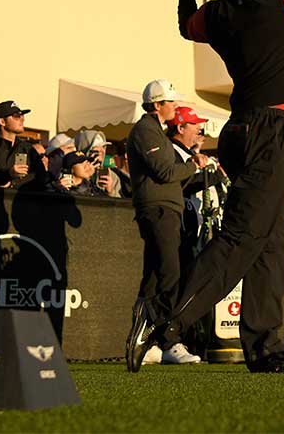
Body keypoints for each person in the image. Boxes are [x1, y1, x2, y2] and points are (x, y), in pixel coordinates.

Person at [128, 0, 284, 375]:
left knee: (273, 237)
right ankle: (165, 323)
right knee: (242, 236)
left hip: (242, 128)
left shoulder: (217, 14)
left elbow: (187, 24)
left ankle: (263, 347)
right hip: (271, 128)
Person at [127, 81, 206, 366]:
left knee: (153, 277)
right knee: (170, 275)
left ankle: (149, 341)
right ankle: (164, 338)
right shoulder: (146, 130)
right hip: (158, 209)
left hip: (163, 208)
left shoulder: (154, 130)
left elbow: (169, 174)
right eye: (171, 102)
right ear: (158, 104)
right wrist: (194, 165)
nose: (175, 106)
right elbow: (164, 172)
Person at [0, 100, 47, 196]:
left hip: (21, 204)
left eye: (22, 116)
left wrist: (13, 182)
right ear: (2, 121)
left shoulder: (28, 149)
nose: (22, 119)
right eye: (16, 116)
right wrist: (8, 175)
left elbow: (41, 178)